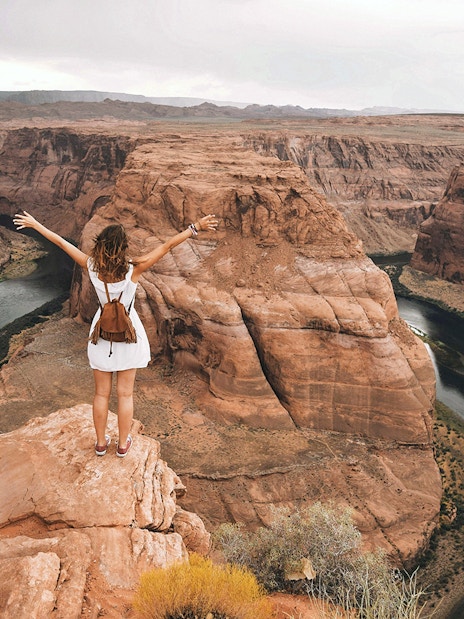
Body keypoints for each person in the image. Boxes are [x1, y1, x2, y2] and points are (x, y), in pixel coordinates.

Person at [13, 210, 219, 457]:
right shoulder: (135, 268)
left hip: (101, 338)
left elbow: (60, 242)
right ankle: (122, 445)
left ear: (100, 245)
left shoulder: (91, 266)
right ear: (123, 248)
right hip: (129, 338)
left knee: (101, 393)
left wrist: (36, 224)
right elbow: (167, 246)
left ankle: (100, 444)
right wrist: (195, 227)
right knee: (125, 394)